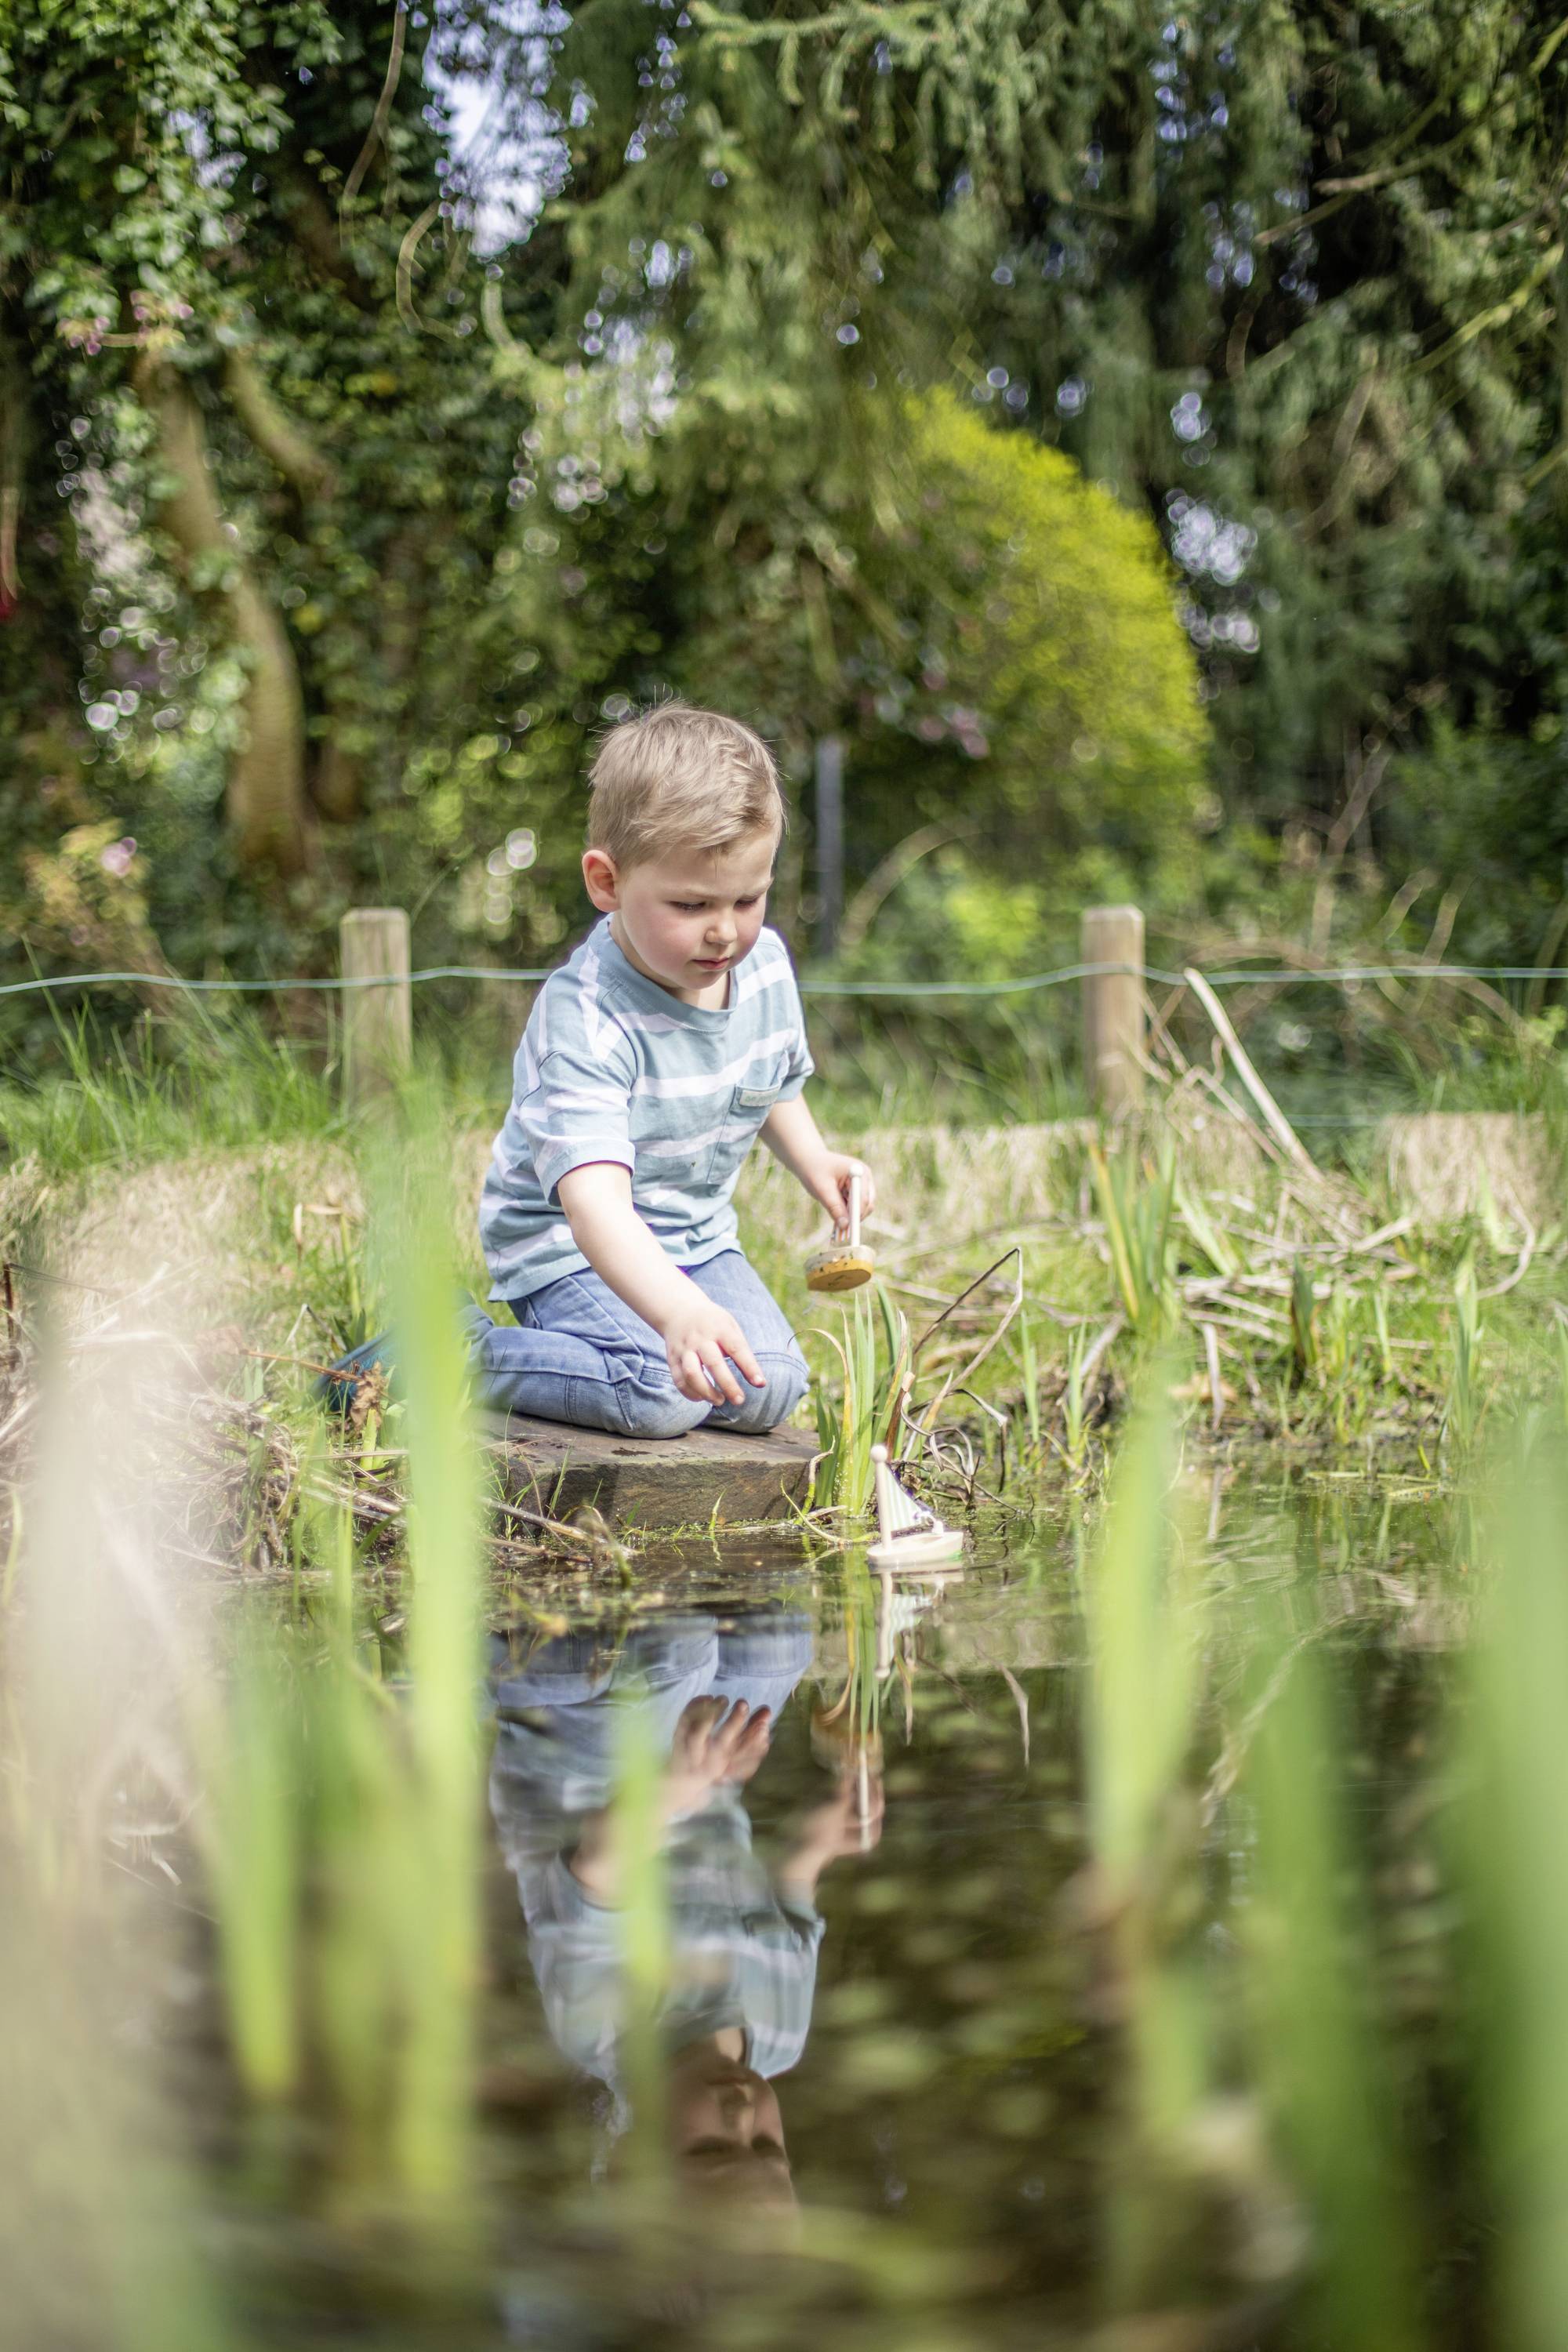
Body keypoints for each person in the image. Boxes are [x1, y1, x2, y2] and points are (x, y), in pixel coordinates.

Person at [458, 701, 874, 1437]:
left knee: (768, 1384)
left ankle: (636, 1348)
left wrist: (815, 1159)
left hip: (695, 1241)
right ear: (606, 882)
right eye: (690, 904)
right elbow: (594, 1208)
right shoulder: (586, 1018)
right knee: (660, 1390)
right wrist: (678, 1312)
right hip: (569, 1249)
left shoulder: (765, 967)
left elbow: (768, 1079)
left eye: (748, 898)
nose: (725, 929)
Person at [488, 1607, 884, 2208]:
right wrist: (817, 1847)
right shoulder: (781, 2039)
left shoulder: (604, 2031)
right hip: (706, 1771)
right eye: (769, 2148)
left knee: (678, 1653)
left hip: (579, 1754)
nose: (742, 2112)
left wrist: (675, 1790)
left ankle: (495, 1667)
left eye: (712, 2149)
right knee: (779, 1641)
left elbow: (602, 1865)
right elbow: (791, 1915)